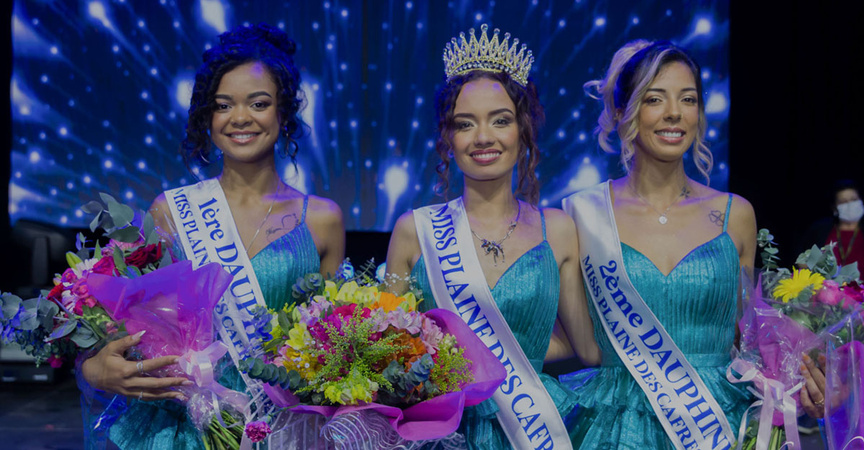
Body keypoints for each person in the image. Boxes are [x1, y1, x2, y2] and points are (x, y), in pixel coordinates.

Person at [79, 23, 345, 449]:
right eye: (223, 106)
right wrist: (96, 366)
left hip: (286, 429)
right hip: (187, 427)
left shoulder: (323, 219)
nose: (240, 118)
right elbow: (124, 328)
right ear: (209, 116)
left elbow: (334, 344)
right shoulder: (171, 210)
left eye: (258, 103)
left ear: (283, 112)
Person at [386, 24, 600, 449]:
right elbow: (387, 352)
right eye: (466, 124)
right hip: (442, 430)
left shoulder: (557, 229)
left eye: (500, 120)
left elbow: (588, 349)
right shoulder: (415, 230)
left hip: (535, 423)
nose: (484, 137)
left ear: (522, 131)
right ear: (449, 138)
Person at [559, 40, 758, 449]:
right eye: (655, 99)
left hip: (719, 420)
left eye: (688, 99)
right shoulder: (580, 217)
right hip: (614, 424)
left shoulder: (734, 214)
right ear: (621, 111)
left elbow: (750, 339)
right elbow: (578, 342)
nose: (674, 113)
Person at [798, 179, 864, 268]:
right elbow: (803, 261)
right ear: (834, 208)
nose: (849, 204)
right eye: (843, 202)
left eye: (854, 199)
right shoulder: (820, 230)